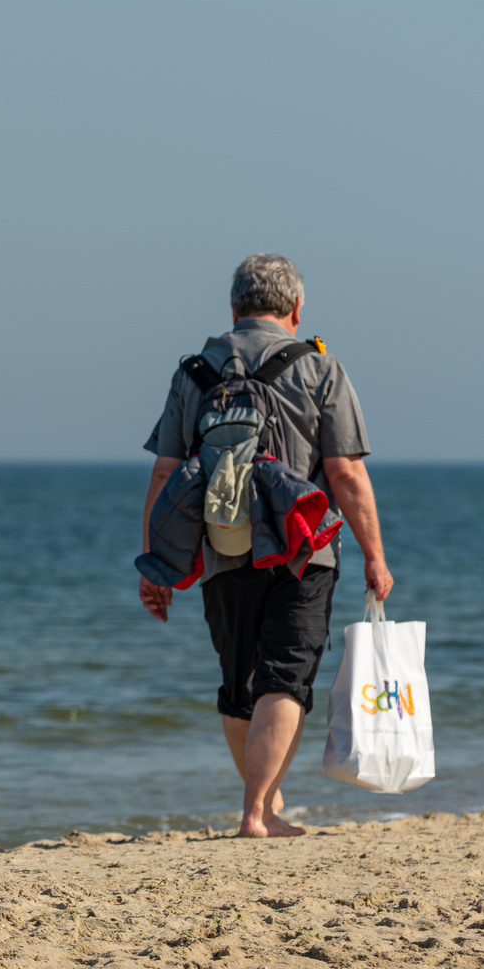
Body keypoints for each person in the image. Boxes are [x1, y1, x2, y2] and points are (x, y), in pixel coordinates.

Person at [138, 254, 392, 838]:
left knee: (239, 686)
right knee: (286, 679)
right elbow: (346, 475)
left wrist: (156, 564)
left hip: (222, 547)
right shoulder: (320, 370)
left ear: (233, 309)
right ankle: (257, 813)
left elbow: (164, 476)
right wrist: (375, 557)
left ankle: (265, 806)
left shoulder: (194, 372)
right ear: (297, 310)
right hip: (305, 549)